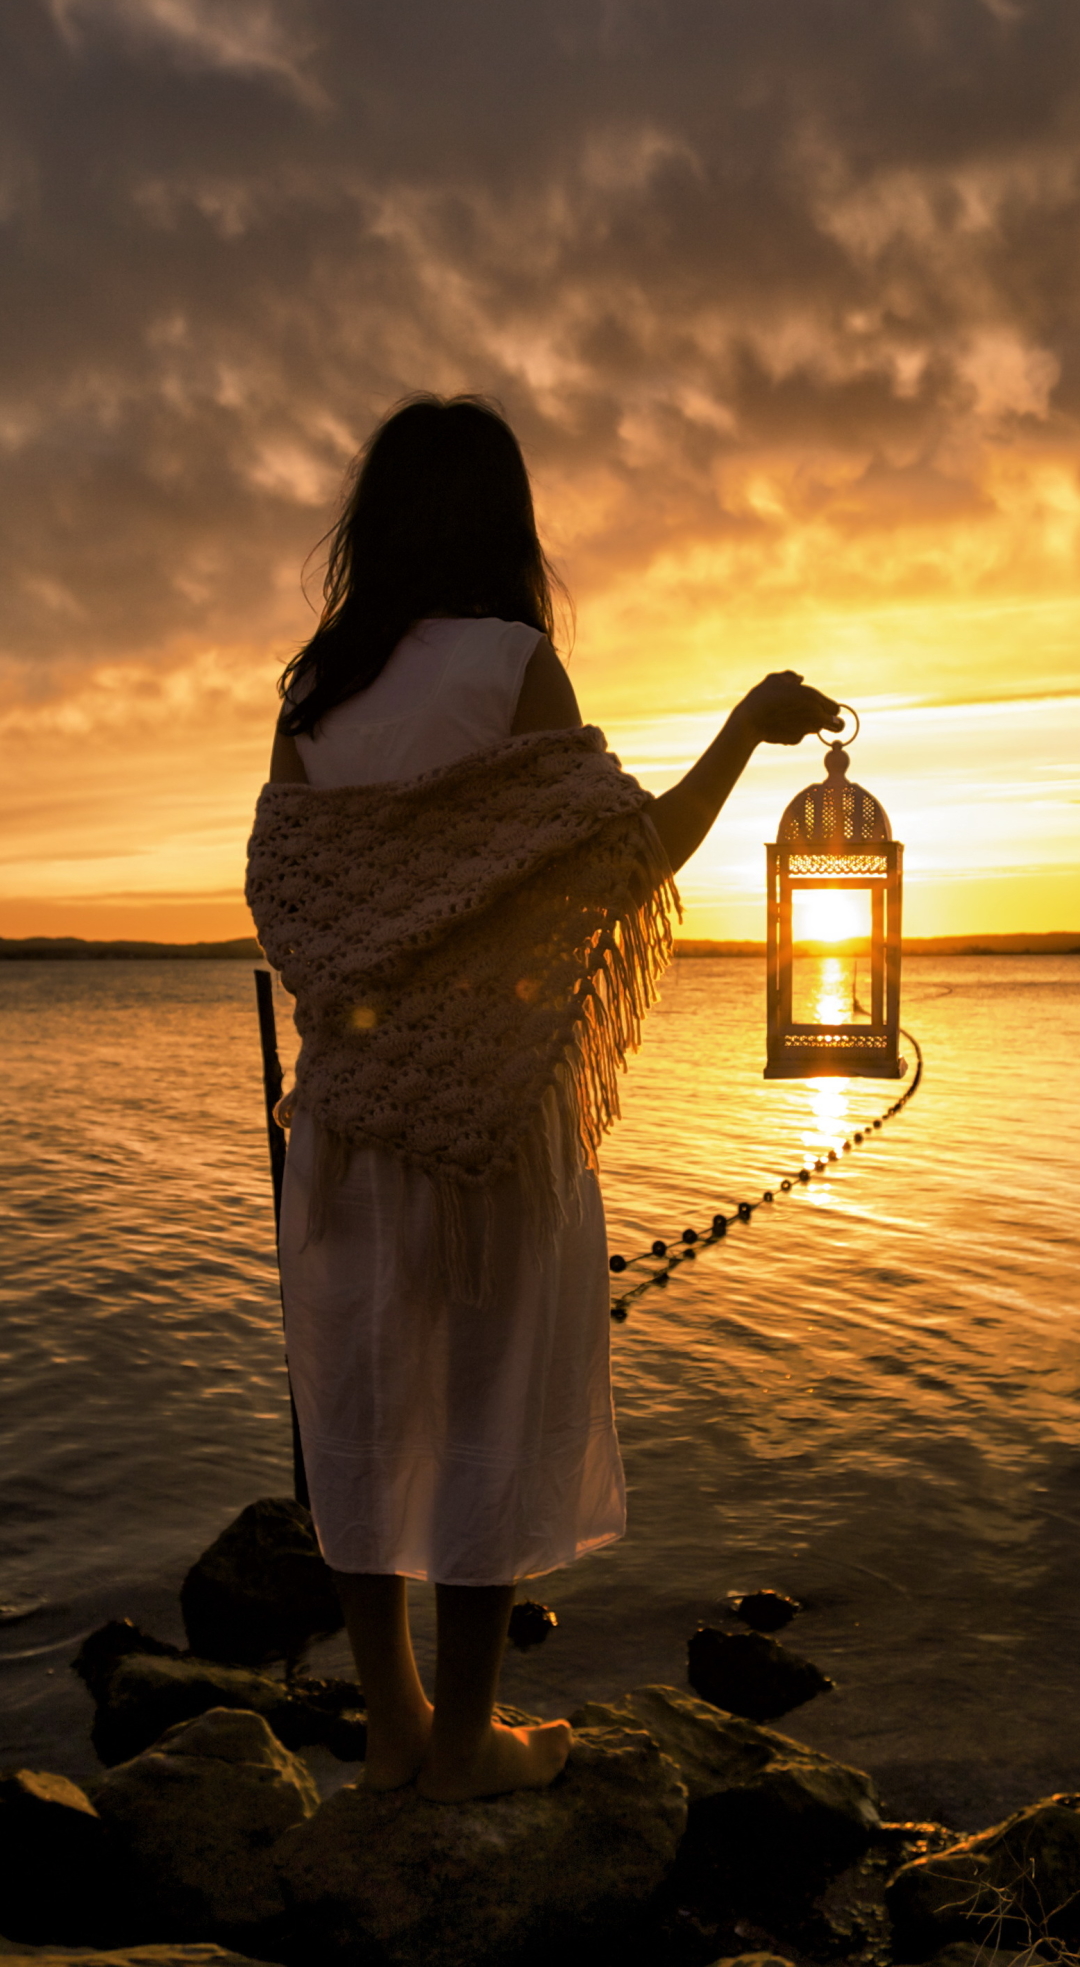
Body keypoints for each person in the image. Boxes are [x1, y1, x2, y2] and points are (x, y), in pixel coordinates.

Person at [250, 391, 840, 1803]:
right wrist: (747, 730)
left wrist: (391, 997)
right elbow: (618, 864)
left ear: (372, 528)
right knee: (484, 1414)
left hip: (341, 1134)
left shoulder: (314, 698)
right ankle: (467, 1747)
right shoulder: (516, 670)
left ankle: (392, 1729)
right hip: (492, 1133)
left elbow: (294, 907)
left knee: (359, 1413)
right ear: (505, 524)